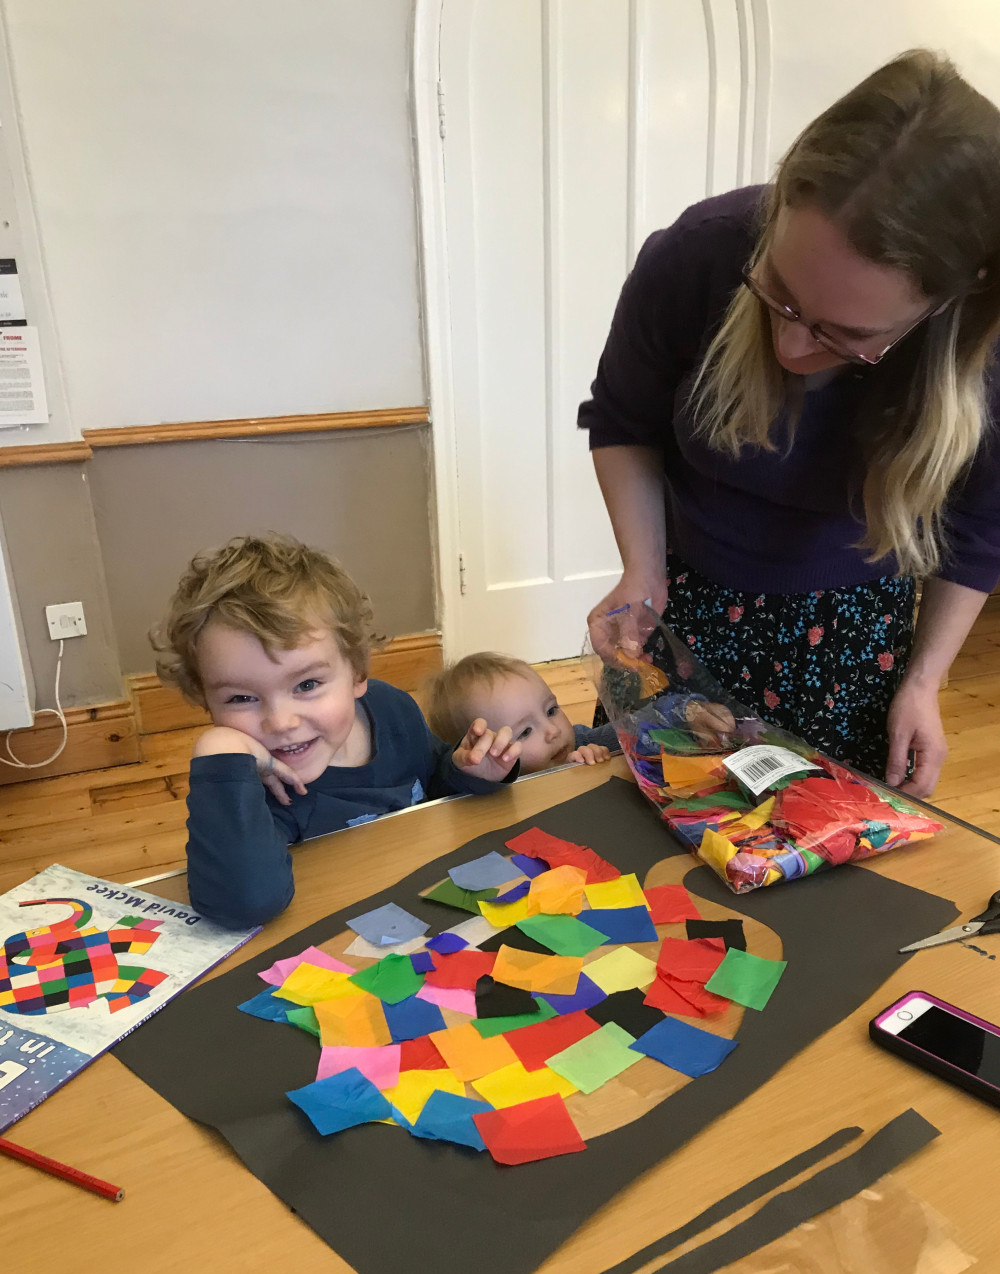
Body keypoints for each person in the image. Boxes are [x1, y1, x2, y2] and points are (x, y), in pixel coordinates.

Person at [580, 50, 1000, 794]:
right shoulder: (699, 252)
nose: (792, 346)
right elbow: (622, 417)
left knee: (816, 855)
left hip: (854, 645)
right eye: (779, 294)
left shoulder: (985, 350)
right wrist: (641, 571)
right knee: (651, 840)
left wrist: (925, 681)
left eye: (845, 334)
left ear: (945, 304)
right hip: (687, 608)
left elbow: (976, 530)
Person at [152, 535, 521, 928]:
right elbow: (244, 904)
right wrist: (218, 749)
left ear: (358, 673)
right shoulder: (254, 789)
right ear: (205, 699)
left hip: (429, 909)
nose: (280, 722)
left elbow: (432, 783)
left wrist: (469, 772)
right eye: (241, 698)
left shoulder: (392, 709)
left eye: (306, 685)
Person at [426, 651, 734, 772]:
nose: (553, 731)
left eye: (551, 710)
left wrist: (684, 711)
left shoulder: (578, 742)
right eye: (525, 731)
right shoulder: (483, 795)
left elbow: (635, 730)